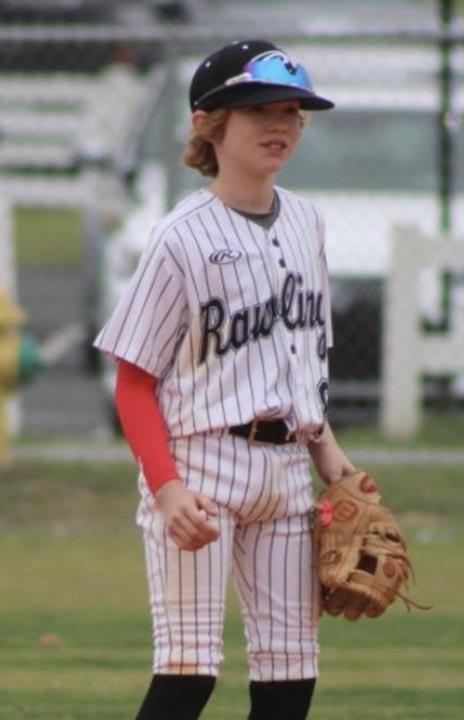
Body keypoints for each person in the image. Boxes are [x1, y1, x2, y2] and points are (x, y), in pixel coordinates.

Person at [94, 38, 355, 720]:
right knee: (189, 673)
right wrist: (166, 487)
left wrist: (329, 453)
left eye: (292, 111)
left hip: (287, 470)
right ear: (209, 123)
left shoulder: (308, 223)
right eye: (260, 110)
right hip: (201, 468)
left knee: (291, 677)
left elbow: (302, 355)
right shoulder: (179, 236)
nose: (281, 124)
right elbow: (134, 382)